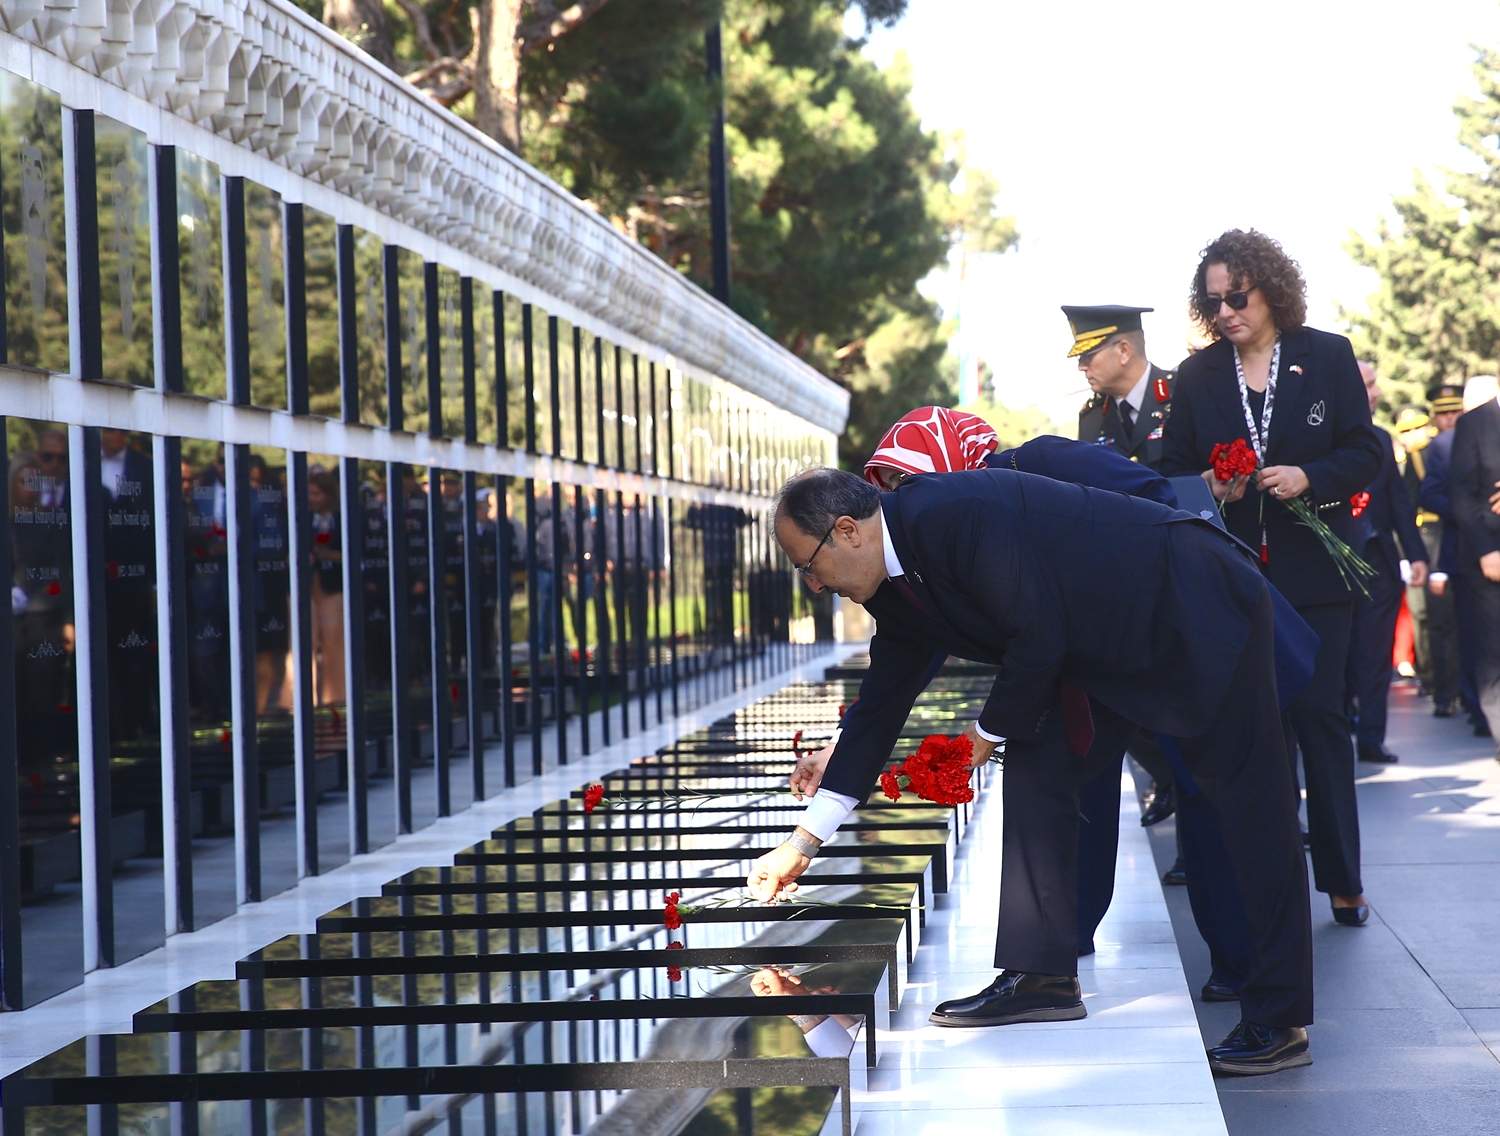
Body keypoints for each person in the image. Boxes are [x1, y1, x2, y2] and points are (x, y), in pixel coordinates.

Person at [751, 466, 1314, 1075]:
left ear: (846, 531)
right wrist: (801, 844)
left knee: (1252, 804)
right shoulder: (894, 587)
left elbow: (1036, 634)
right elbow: (877, 713)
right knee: (1040, 768)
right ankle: (1042, 976)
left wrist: (980, 738)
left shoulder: (951, 514)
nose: (811, 584)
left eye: (806, 564)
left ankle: (1280, 1019)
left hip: (1187, 603)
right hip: (1097, 644)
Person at [1158, 229, 1385, 928]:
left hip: (1318, 576)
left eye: (1237, 296)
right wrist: (1213, 484)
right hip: (1235, 579)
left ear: (1271, 289)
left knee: (1321, 721)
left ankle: (1344, 880)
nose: (1225, 310)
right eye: (1213, 300)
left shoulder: (1328, 354)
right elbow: (1172, 476)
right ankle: (1272, 882)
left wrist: (1309, 476)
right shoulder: (1196, 377)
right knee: (1258, 735)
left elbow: (1365, 450)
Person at [1067, 306, 1183, 845]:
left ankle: (1200, 819)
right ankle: (1172, 779)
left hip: (1187, 570)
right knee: (1119, 696)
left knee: (1192, 703)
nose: (1083, 366)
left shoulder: (1184, 395)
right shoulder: (1093, 418)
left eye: (1089, 354)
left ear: (1123, 350)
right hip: (1127, 582)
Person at [1344, 364, 1428, 763]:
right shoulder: (1318, 441)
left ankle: (1372, 738)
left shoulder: (1380, 439)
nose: (1376, 393)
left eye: (1376, 384)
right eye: (1368, 385)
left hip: (1378, 564)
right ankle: (1340, 729)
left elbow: (1397, 503)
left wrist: (1417, 556)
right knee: (1339, 655)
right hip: (1334, 566)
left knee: (1375, 656)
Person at [1422, 379, 1494, 735]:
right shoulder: (1445, 445)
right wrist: (1479, 514)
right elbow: (1435, 494)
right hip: (1469, 550)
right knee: (1474, 637)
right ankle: (1480, 710)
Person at [1447, 375, 1500, 758]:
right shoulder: (1475, 423)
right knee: (1492, 649)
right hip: (1489, 555)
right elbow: (1462, 494)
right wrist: (1485, 551)